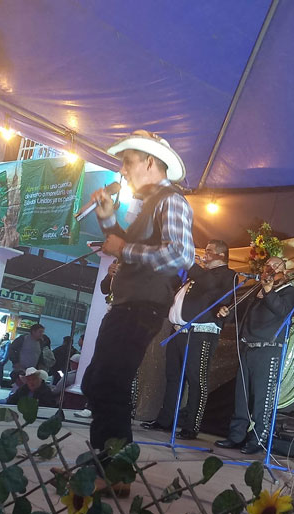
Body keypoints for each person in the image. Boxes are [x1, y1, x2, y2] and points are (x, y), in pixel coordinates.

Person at [80, 129, 194, 473]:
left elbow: (181, 255)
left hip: (141, 307)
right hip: (130, 304)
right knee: (98, 380)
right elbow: (127, 248)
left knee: (109, 381)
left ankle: (115, 468)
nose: (123, 170)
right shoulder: (150, 205)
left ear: (149, 162)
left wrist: (125, 249)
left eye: (128, 162)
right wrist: (107, 218)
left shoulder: (171, 201)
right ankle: (108, 461)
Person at [142, 240, 234, 440]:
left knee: (196, 379)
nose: (205, 254)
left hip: (200, 333)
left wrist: (189, 263)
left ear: (221, 255)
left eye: (209, 251)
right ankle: (166, 420)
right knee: (173, 377)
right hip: (178, 331)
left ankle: (191, 426)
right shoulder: (199, 274)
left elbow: (213, 287)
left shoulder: (226, 275)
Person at [214, 256, 294, 455]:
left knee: (262, 398)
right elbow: (242, 313)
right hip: (248, 346)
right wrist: (227, 312)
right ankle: (236, 436)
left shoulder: (289, 291)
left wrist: (268, 290)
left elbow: (282, 311)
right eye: (267, 265)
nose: (270, 268)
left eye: (275, 266)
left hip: (268, 349)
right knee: (241, 395)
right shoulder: (256, 290)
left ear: (285, 272)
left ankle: (258, 439)